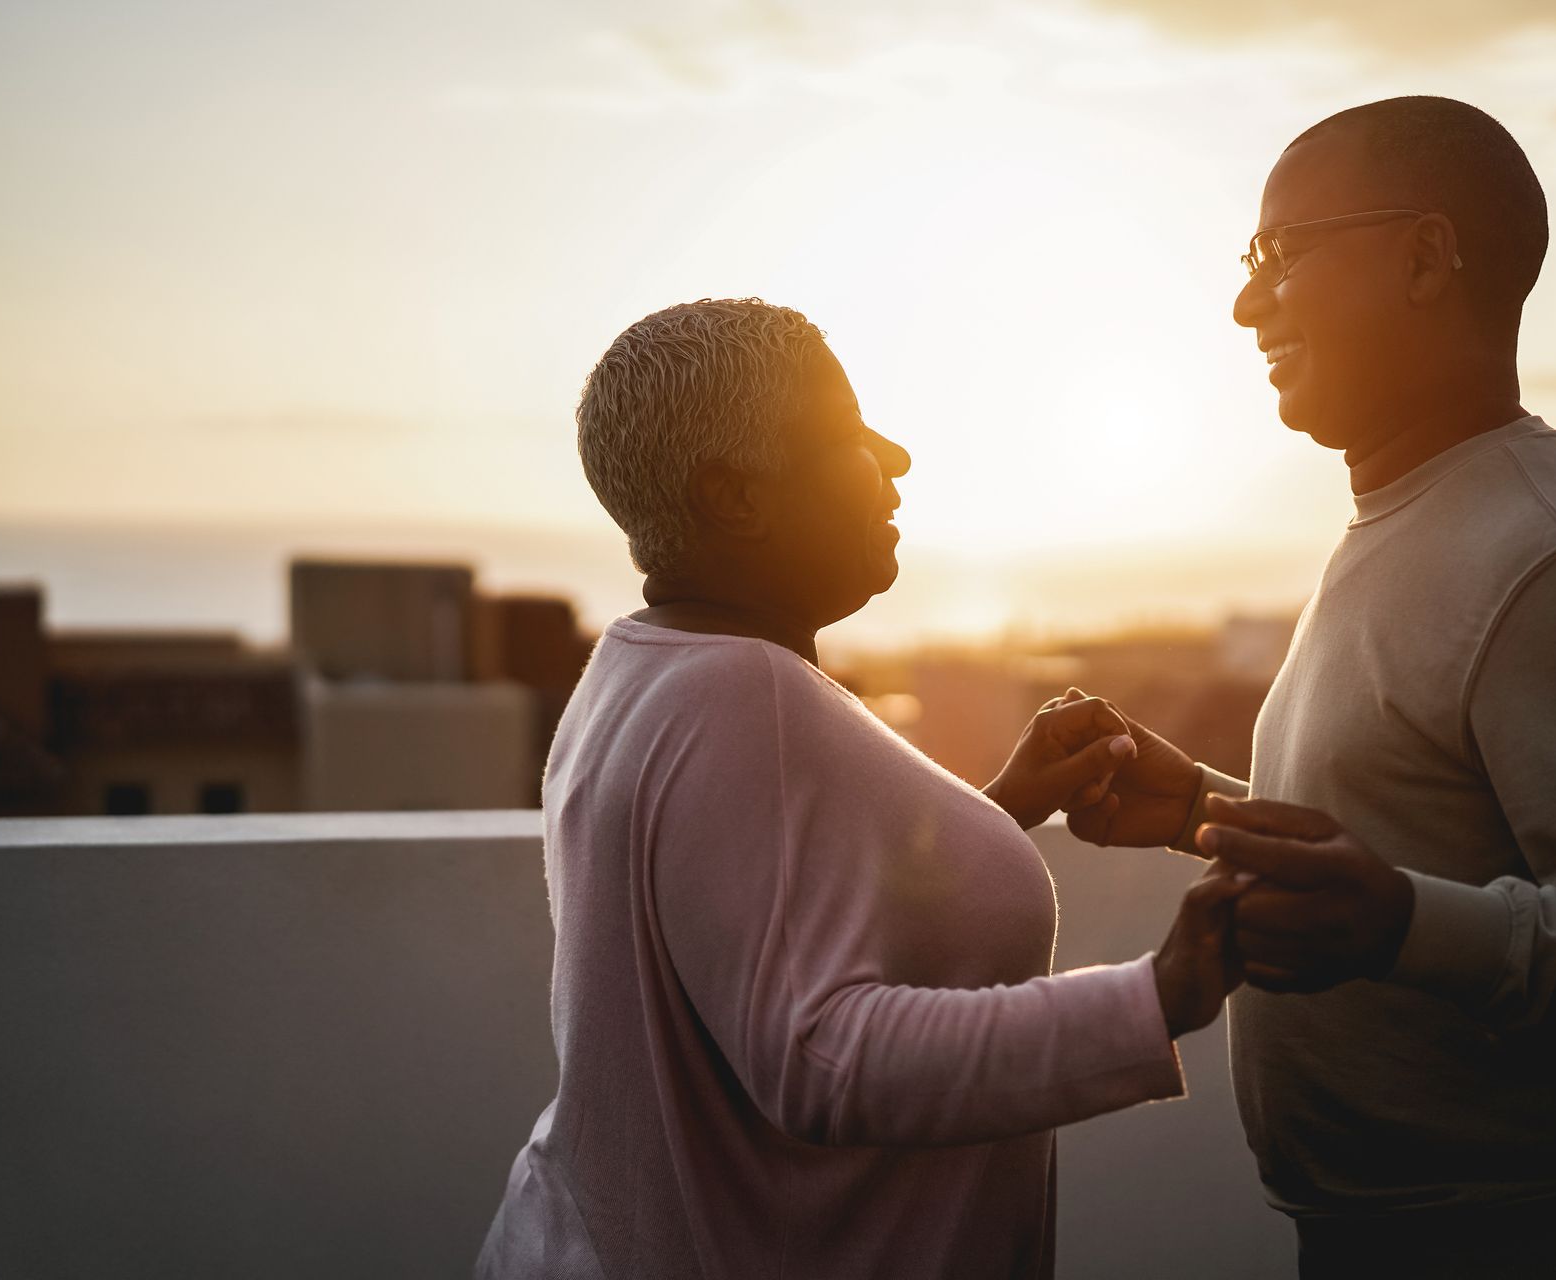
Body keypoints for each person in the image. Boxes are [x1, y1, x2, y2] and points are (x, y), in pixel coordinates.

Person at [1064, 97, 1556, 1279]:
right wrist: (1203, 811)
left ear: (1425, 256)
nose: (1245, 303)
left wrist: (1394, 924)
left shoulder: (1554, 556)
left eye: (1281, 254)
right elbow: (1425, 826)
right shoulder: (1410, 515)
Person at [476, 299, 1267, 1280]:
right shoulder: (739, 694)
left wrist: (989, 814)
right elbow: (816, 1053)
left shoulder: (641, 669)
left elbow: (755, 913)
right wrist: (1160, 991)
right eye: (847, 434)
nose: (893, 459)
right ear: (735, 497)